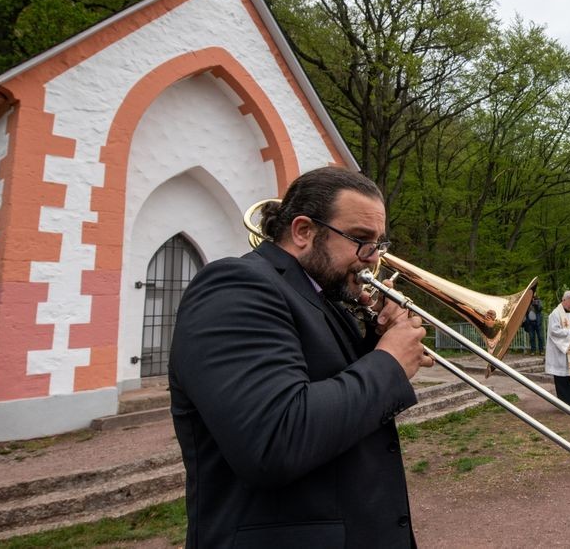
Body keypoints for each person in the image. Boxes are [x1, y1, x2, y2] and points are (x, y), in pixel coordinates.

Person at [168, 167, 432, 548]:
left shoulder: (321, 296)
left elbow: (327, 386)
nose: (373, 258)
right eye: (360, 240)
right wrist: (389, 362)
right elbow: (275, 440)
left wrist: (378, 338)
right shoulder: (235, 286)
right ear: (303, 231)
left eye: (378, 244)